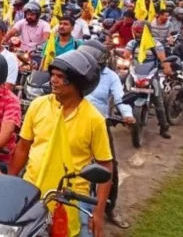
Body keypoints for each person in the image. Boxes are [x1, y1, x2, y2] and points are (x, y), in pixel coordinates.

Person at [9, 50, 113, 237]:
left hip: (71, 197)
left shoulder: (94, 119)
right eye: (53, 75)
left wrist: (98, 213)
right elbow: (23, 147)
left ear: (77, 83)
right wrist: (10, 183)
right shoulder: (38, 105)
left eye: (61, 77)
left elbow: (105, 166)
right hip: (31, 189)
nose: (53, 80)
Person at [79, 39, 134, 229]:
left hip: (99, 124)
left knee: (110, 168)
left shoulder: (111, 76)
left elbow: (120, 97)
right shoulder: (77, 71)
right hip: (73, 121)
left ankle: (109, 208)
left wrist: (127, 115)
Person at [122, 21, 172, 138]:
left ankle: (164, 127)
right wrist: (124, 57)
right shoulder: (132, 43)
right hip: (134, 74)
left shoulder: (156, 44)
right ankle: (121, 112)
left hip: (151, 75)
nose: (137, 34)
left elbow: (163, 59)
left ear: (147, 32)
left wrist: (167, 68)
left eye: (139, 32)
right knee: (122, 94)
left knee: (159, 102)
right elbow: (126, 55)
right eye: (135, 31)